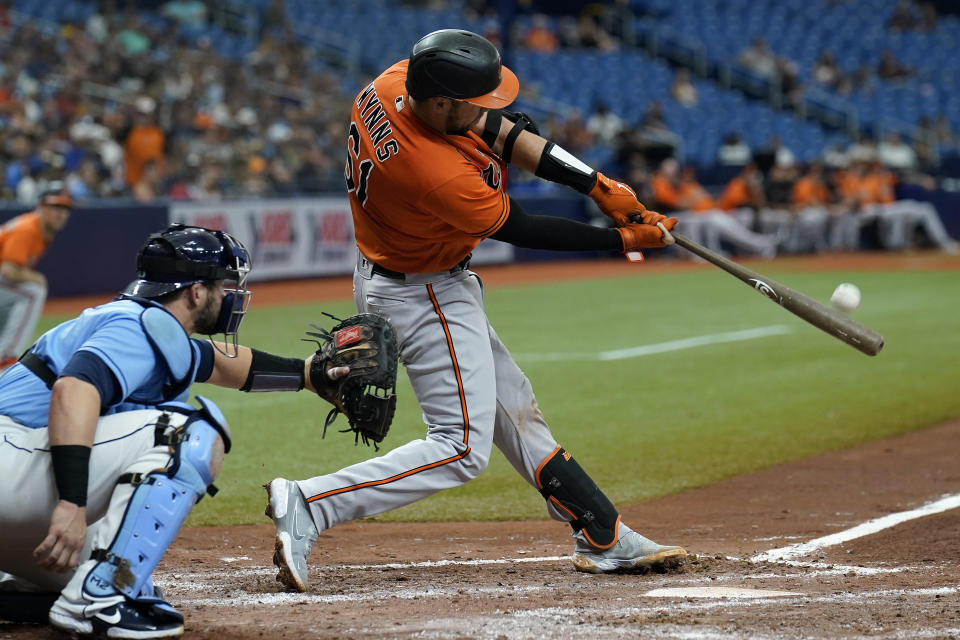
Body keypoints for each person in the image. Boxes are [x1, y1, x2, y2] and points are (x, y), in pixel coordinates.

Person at [265, 28, 687, 593]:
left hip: (406, 273)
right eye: (474, 101)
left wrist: (598, 184)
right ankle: (311, 503)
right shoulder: (432, 170)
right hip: (424, 291)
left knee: (515, 410)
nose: (489, 110)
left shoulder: (397, 80)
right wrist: (625, 239)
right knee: (462, 447)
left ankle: (603, 534)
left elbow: (501, 131)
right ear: (441, 101)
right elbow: (524, 228)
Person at [0, 224, 353, 637]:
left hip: (15, 475)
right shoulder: (134, 326)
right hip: (9, 461)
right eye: (222, 285)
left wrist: (311, 375)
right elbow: (73, 390)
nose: (230, 296)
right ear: (196, 292)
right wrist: (72, 504)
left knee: (126, 576)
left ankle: (23, 585)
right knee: (186, 435)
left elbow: (224, 363)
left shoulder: (150, 327)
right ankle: (93, 604)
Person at [0, 183, 72, 370]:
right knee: (34, 290)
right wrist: (37, 278)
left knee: (20, 295)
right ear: (41, 206)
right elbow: (8, 270)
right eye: (56, 207)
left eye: (65, 209)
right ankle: (7, 356)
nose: (61, 214)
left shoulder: (41, 231)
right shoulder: (27, 228)